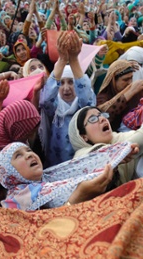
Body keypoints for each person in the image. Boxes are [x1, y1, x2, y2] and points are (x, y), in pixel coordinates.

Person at [0, 141, 133, 210]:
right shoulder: (16, 205)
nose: (29, 155)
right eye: (18, 155)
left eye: (29, 150)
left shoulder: (50, 177)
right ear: (9, 172)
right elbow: (44, 231)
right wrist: (77, 198)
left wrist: (115, 160)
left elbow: (84, 167)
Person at [40, 31, 96, 166]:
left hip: (81, 164)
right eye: (62, 82)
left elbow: (88, 101)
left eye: (71, 82)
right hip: (55, 165)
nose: (66, 88)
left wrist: (74, 60)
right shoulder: (54, 107)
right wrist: (62, 60)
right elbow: (45, 100)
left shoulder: (82, 106)